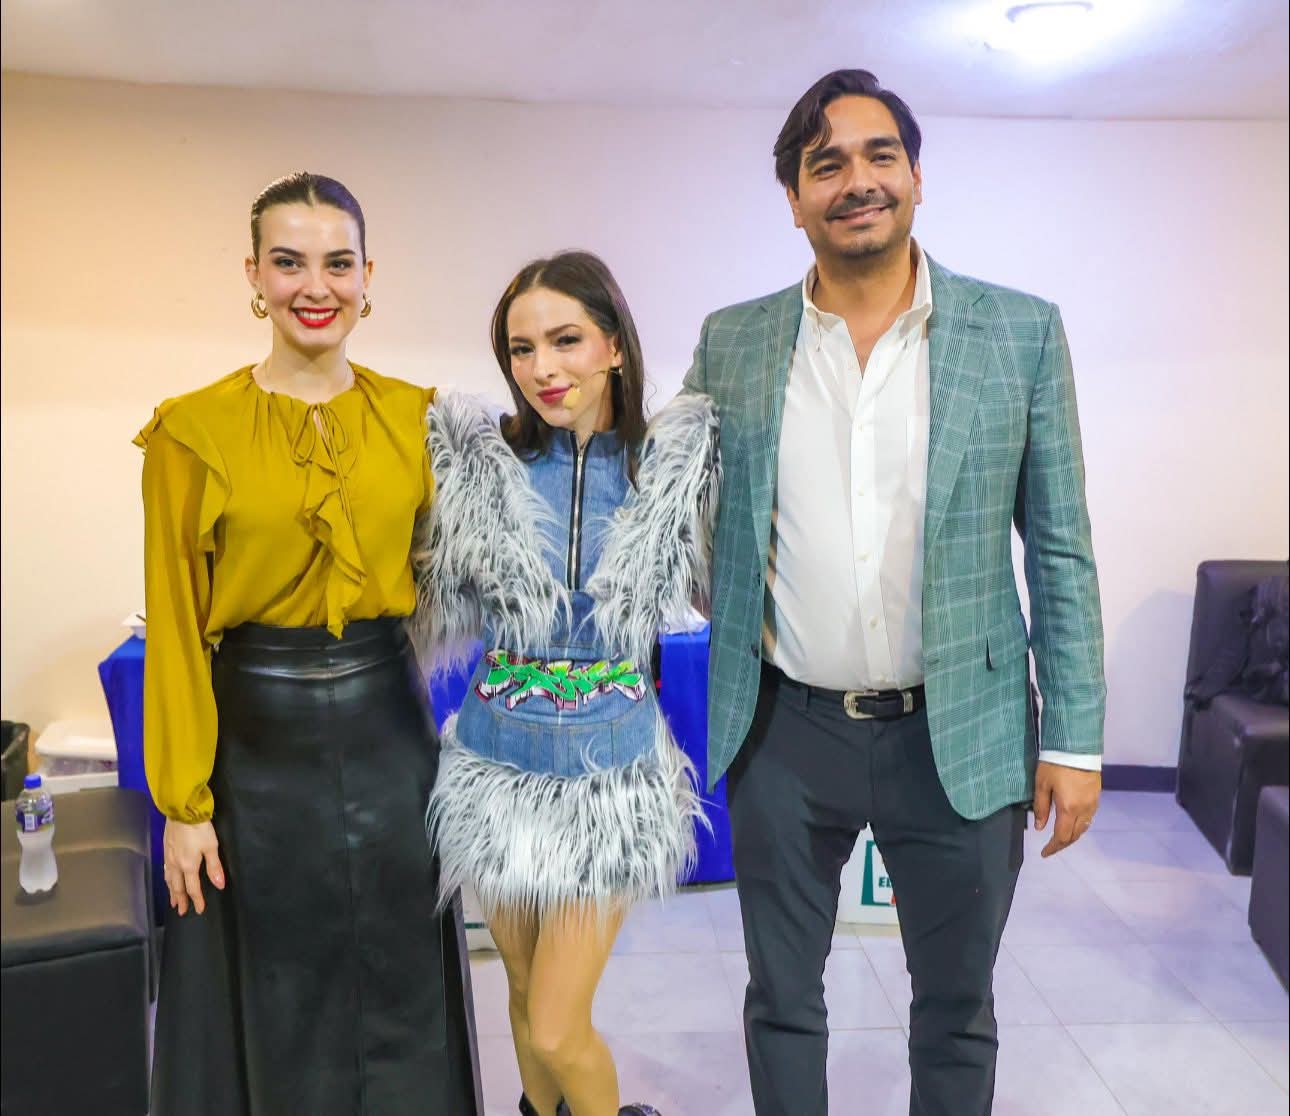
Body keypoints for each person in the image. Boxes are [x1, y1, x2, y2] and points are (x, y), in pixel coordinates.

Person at [683, 70, 1106, 1116]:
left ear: (917, 176)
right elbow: (689, 513)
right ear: (795, 199)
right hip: (783, 732)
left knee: (956, 1008)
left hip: (961, 730)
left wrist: (1075, 739)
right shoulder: (733, 342)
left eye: (880, 156)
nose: (856, 181)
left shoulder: (1019, 332)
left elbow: (1060, 548)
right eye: (825, 165)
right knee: (783, 1001)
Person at [138, 172, 480, 1116]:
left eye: (338, 263)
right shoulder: (189, 433)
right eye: (289, 263)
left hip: (391, 736)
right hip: (256, 747)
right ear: (254, 275)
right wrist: (183, 804)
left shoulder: (420, 420)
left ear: (370, 276)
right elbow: (174, 622)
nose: (315, 287)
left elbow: (477, 570)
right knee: (279, 992)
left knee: (401, 983)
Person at [412, 250, 718, 1116]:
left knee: (555, 1027)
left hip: (608, 779)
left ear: (614, 345)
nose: (542, 368)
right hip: (492, 769)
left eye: (565, 340)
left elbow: (734, 586)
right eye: (521, 348)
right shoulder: (483, 469)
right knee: (519, 992)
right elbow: (425, 595)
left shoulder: (672, 471)